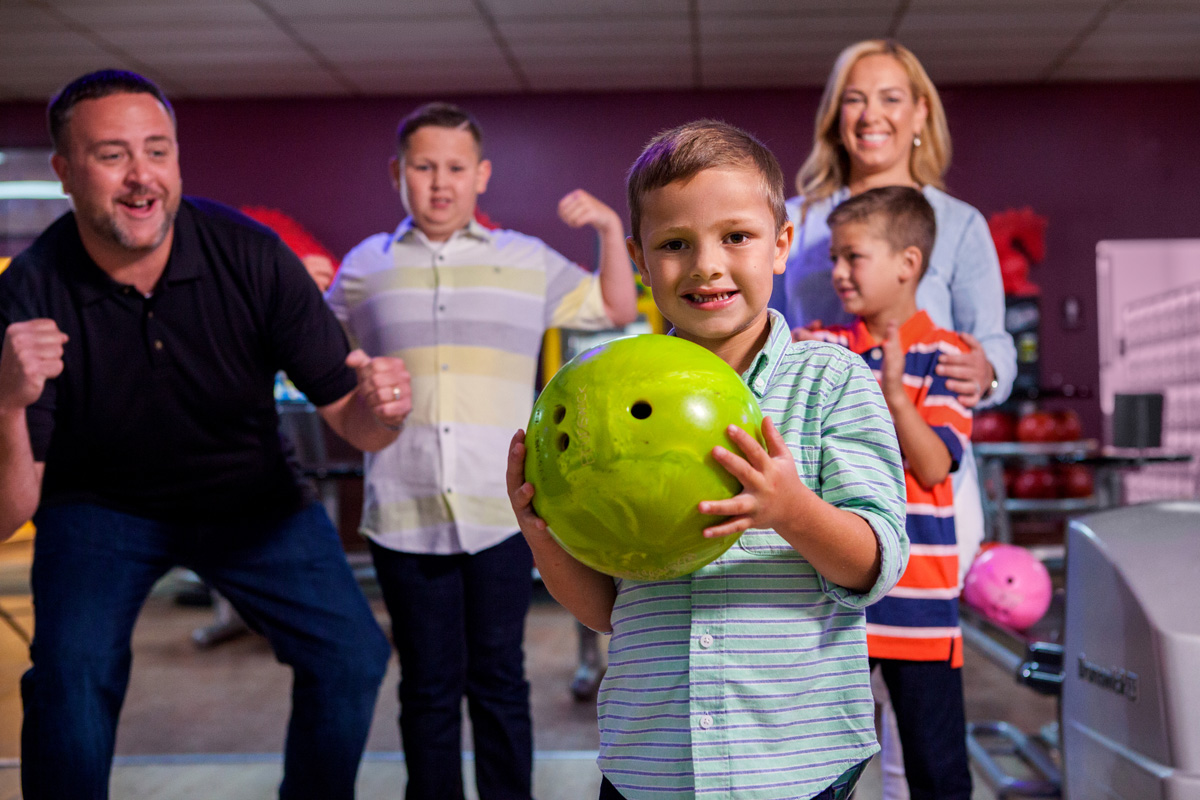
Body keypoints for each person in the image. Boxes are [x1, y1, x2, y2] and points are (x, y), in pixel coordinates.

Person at [0, 70, 409, 800]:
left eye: (157, 150)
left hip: (249, 494)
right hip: (98, 508)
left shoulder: (251, 255)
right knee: (69, 674)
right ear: (64, 171)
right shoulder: (28, 290)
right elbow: (8, 513)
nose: (141, 175)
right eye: (112, 155)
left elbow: (355, 420)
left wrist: (383, 410)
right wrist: (6, 403)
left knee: (351, 656)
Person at [507, 120, 909, 800]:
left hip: (793, 764)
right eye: (674, 244)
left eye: (737, 237)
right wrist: (544, 533)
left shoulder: (831, 380)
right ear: (639, 259)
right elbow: (605, 610)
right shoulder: (607, 400)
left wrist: (791, 510)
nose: (706, 265)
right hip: (651, 765)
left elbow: (877, 563)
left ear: (780, 245)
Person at [326, 101, 638, 800]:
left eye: (456, 168)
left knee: (499, 679)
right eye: (424, 167)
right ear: (398, 173)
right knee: (426, 686)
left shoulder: (526, 260)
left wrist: (608, 230)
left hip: (501, 513)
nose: (440, 182)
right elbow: (316, 345)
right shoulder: (364, 267)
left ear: (482, 175)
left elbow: (617, 308)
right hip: (404, 512)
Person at [771, 43, 1015, 795]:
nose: (870, 113)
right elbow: (771, 333)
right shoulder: (797, 219)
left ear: (919, 114)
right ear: (834, 116)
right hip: (825, 482)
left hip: (925, 486)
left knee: (919, 720)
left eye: (889, 97)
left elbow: (993, 340)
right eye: (854, 97)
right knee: (827, 704)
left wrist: (986, 369)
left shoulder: (958, 223)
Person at [801, 186, 974, 798]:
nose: (839, 272)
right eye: (834, 259)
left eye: (853, 257)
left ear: (908, 263)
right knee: (817, 768)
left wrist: (896, 393)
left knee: (938, 771)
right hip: (836, 603)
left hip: (921, 604)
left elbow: (934, 464)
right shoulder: (823, 349)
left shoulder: (949, 354)